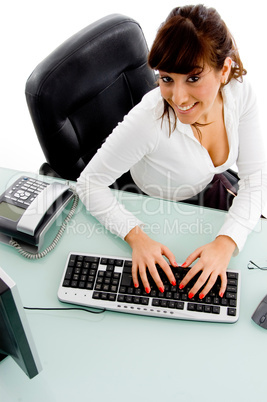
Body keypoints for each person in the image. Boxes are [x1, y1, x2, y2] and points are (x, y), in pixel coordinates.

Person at [76, 5, 267, 299]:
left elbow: (255, 179)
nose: (177, 98)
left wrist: (226, 243)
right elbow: (89, 183)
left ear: (224, 70)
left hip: (210, 188)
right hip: (157, 208)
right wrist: (136, 237)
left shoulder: (240, 93)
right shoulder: (149, 118)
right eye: (166, 78)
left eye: (193, 78)